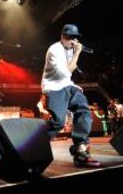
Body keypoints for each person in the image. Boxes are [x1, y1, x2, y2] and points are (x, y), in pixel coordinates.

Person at [41, 24, 101, 167]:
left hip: (67, 84)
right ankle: (34, 142)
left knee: (83, 107)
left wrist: (72, 85)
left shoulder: (70, 48)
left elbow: (67, 77)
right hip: (53, 87)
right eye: (69, 38)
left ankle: (81, 148)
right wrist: (77, 54)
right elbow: (67, 71)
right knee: (58, 123)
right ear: (62, 37)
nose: (72, 41)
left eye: (75, 38)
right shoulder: (54, 49)